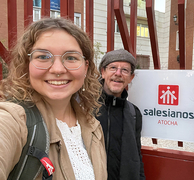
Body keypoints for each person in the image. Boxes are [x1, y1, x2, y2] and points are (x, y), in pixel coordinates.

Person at [0, 18, 107, 180]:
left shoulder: (94, 127)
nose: (58, 69)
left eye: (71, 58)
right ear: (27, 64)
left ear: (85, 68)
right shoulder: (13, 119)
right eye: (43, 57)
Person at [97, 49, 145, 180]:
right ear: (103, 72)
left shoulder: (134, 113)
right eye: (113, 67)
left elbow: (137, 156)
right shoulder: (86, 108)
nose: (118, 74)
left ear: (131, 77)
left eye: (125, 70)